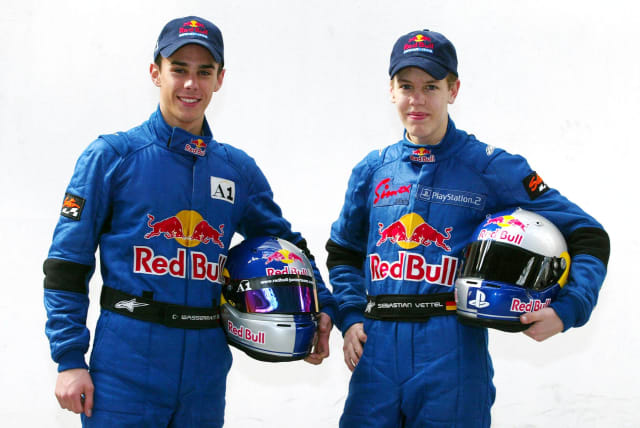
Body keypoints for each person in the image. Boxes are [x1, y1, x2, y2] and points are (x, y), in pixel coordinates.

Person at [43, 16, 336, 427]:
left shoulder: (237, 170)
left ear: (220, 79)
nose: (190, 85)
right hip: (125, 362)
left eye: (204, 72)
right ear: (155, 72)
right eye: (178, 70)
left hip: (205, 368)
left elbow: (285, 245)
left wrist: (323, 304)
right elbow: (66, 265)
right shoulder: (112, 156)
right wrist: (69, 358)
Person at [326, 29, 609, 428]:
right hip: (376, 353)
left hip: (451, 350)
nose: (417, 99)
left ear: (453, 89)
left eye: (431, 86)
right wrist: (351, 316)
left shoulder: (491, 166)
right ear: (390, 90)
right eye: (406, 86)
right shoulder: (372, 170)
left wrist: (569, 308)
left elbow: (588, 234)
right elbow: (343, 252)